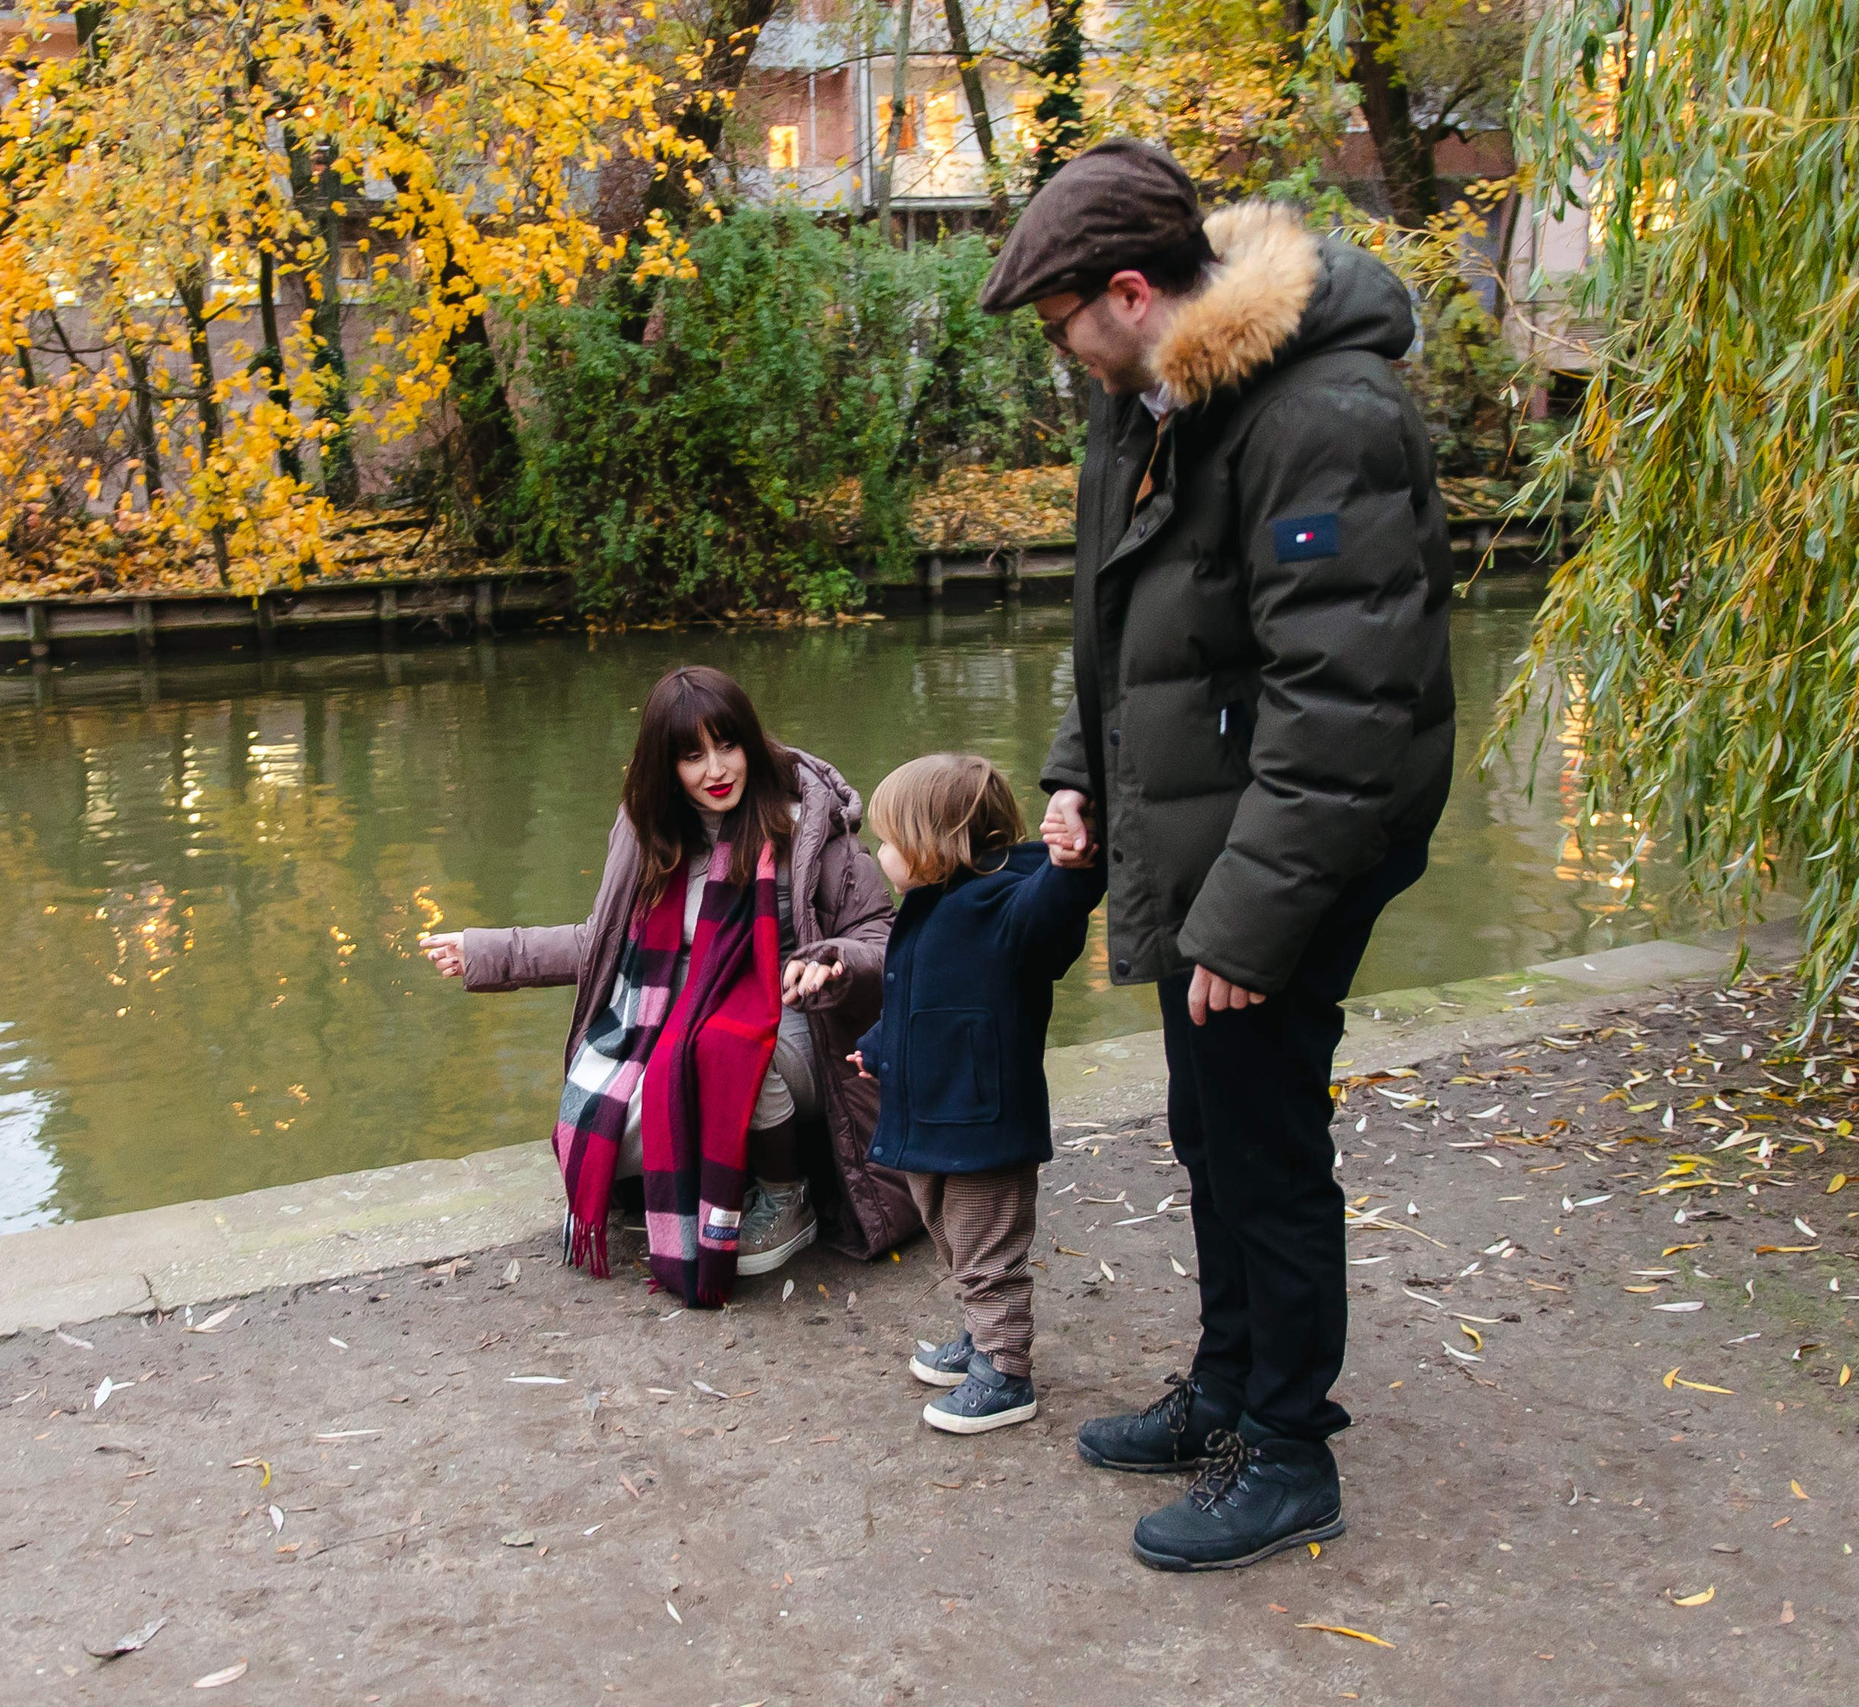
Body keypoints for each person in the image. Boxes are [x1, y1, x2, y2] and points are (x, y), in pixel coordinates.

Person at [979, 140, 1456, 1570]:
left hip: (1299, 840)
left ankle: (1290, 1448)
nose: (1065, 358)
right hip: (1209, 812)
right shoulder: (1155, 396)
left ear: (1128, 292)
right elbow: (1122, 624)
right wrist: (1079, 775)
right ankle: (1230, 1383)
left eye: (1063, 328)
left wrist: (1243, 926)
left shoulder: (1329, 415)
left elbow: (1350, 707)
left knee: (1264, 1137)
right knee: (1211, 1122)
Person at [422, 665, 913, 1303]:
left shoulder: (807, 828)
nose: (716, 768)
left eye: (727, 745)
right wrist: (489, 951)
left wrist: (833, 960)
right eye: (692, 754)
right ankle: (715, 1178)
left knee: (722, 1047)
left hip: (795, 1018)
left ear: (750, 742)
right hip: (672, 1017)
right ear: (666, 765)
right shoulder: (648, 836)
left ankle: (787, 1197)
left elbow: (884, 934)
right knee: (611, 1121)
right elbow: (600, 942)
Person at [849, 754, 1104, 1436]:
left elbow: (1056, 908)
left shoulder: (1008, 906)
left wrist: (1073, 865)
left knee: (987, 1248)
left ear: (940, 844)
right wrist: (877, 1047)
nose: (881, 853)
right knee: (953, 1236)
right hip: (932, 1115)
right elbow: (917, 1001)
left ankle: (1005, 1370)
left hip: (983, 1123)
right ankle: (978, 1335)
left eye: (891, 840)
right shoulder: (929, 908)